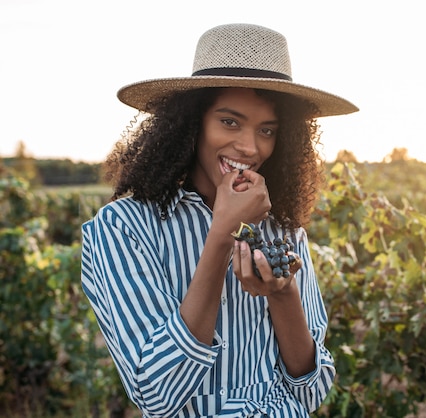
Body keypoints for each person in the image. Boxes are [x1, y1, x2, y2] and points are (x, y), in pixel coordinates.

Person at [80, 23, 358, 418]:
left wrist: (282, 294)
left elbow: (312, 391)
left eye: (267, 130)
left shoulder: (284, 229)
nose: (250, 147)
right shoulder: (124, 228)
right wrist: (221, 236)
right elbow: (157, 396)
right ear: (192, 123)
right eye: (229, 122)